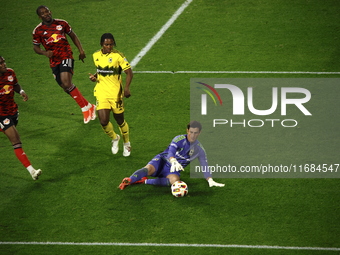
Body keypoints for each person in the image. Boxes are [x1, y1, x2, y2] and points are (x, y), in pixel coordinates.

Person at [32, 5, 96, 124]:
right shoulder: (38, 31)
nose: (46, 14)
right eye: (43, 13)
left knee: (67, 82)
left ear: (50, 12)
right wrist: (44, 53)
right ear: (39, 16)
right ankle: (89, 106)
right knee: (65, 87)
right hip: (54, 61)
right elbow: (35, 47)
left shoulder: (62, 23)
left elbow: (73, 36)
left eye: (47, 11)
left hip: (66, 55)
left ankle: (84, 109)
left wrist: (81, 50)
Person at [118, 121, 224, 190]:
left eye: (196, 133)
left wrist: (210, 180)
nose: (193, 135)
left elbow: (204, 165)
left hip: (172, 171)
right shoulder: (179, 139)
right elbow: (171, 152)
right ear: (187, 131)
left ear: (199, 133)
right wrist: (173, 160)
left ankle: (144, 181)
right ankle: (129, 180)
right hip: (161, 161)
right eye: (191, 132)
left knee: (175, 182)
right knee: (148, 168)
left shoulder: (199, 149)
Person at [89, 33, 133, 156]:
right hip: (101, 92)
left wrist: (127, 88)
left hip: (115, 94)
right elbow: (100, 71)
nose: (109, 46)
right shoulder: (95, 55)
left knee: (120, 120)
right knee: (103, 121)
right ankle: (115, 138)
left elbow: (129, 73)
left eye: (111, 44)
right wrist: (95, 77)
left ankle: (126, 143)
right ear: (101, 44)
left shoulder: (118, 56)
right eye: (106, 44)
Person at [0, 56, 42, 180]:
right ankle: (32, 171)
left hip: (13, 111)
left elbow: (15, 84)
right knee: (16, 141)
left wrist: (21, 91)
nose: (3, 64)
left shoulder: (10, 72)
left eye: (4, 62)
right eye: (0, 63)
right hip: (2, 115)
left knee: (12, 133)